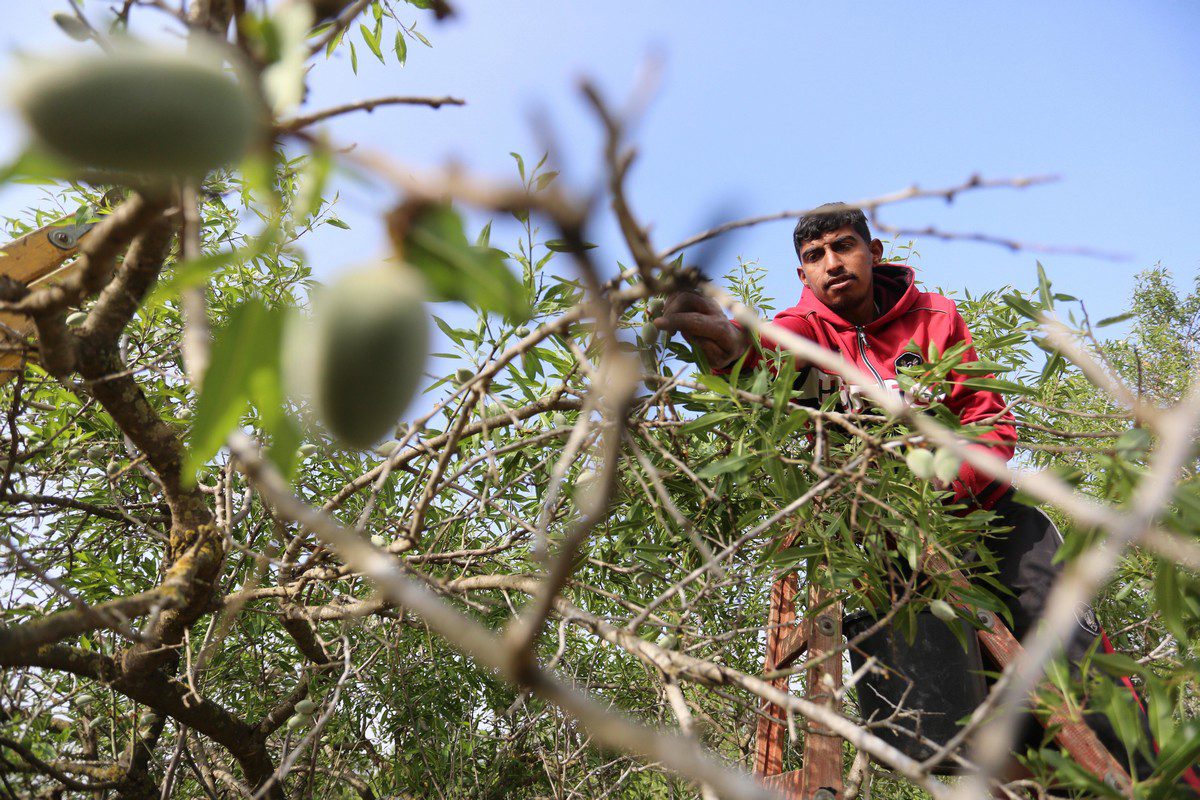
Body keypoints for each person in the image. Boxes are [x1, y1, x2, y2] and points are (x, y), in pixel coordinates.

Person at [653, 204, 1196, 792]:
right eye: (815, 257)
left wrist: (935, 487)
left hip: (987, 520)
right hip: (881, 546)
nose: (833, 264)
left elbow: (989, 422)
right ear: (803, 275)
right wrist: (729, 349)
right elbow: (763, 368)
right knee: (930, 730)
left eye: (844, 247)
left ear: (874, 252)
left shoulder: (933, 317)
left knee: (1079, 674)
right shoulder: (800, 332)